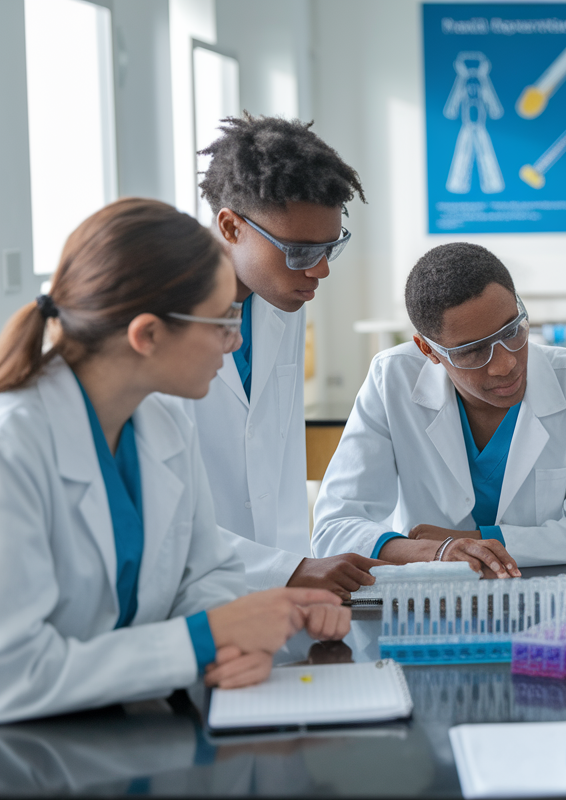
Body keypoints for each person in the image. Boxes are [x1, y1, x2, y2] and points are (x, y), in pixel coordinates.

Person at [0, 199, 349, 724]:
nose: (234, 342)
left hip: (137, 727)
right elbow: (17, 674)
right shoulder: (15, 446)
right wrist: (207, 639)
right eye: (221, 322)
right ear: (148, 334)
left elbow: (204, 573)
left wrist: (238, 639)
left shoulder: (162, 423)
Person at [312, 243, 566, 573]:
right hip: (430, 603)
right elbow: (335, 529)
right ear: (428, 350)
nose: (505, 364)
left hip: (545, 593)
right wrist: (434, 552)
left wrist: (472, 540)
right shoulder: (392, 379)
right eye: (473, 351)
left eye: (512, 330)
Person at [187, 115, 376, 599]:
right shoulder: (167, 323)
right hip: (191, 591)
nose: (320, 270)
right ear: (231, 226)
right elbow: (165, 510)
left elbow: (281, 462)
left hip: (278, 583)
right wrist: (285, 571)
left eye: (330, 247)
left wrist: (298, 569)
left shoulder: (280, 296)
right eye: (299, 250)